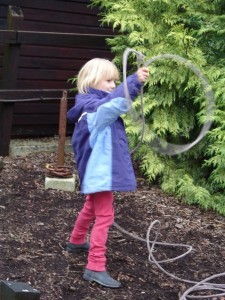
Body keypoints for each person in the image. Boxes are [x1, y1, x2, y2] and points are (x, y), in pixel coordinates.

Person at [66, 58, 149, 288]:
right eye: (109, 80)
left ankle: (76, 241)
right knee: (105, 216)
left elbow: (113, 102)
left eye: (116, 80)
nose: (113, 85)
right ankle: (95, 266)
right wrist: (133, 82)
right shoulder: (95, 109)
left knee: (91, 206)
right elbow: (115, 104)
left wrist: (131, 84)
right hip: (100, 173)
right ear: (93, 81)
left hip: (96, 173)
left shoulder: (90, 106)